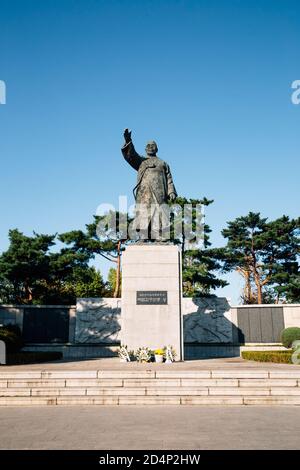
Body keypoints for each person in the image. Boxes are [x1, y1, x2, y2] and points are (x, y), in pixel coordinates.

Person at [121, 128, 177, 241]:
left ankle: (158, 235)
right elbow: (130, 156)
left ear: (157, 148)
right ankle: (143, 236)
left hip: (159, 192)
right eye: (148, 145)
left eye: (152, 145)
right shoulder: (141, 161)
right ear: (145, 149)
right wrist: (128, 140)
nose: (150, 147)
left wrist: (171, 191)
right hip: (144, 192)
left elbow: (169, 178)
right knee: (144, 212)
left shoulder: (163, 163)